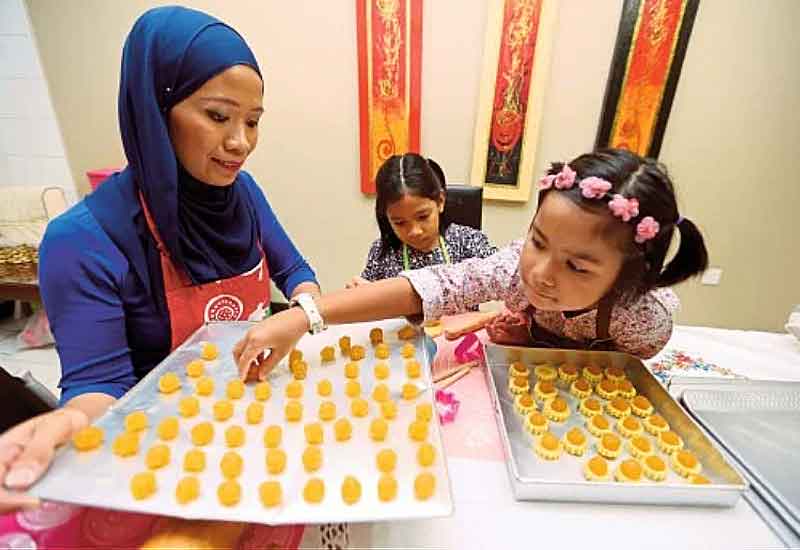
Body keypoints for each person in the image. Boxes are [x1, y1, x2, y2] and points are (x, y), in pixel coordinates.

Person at [0, 6, 318, 548]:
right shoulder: (84, 241)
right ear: (157, 108)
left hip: (253, 443)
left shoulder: (242, 195)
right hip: (160, 468)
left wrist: (305, 312)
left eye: (254, 120)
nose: (241, 142)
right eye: (218, 116)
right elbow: (100, 388)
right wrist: (70, 423)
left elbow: (297, 271)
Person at [234, 148, 709, 378]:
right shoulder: (512, 271)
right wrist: (304, 316)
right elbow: (434, 284)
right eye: (537, 241)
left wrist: (534, 338)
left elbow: (614, 374)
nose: (541, 273)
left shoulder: (645, 322)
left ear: (627, 278)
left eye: (578, 267)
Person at [348, 153, 495, 288]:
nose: (415, 231)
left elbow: (507, 277)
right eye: (399, 223)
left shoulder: (468, 241)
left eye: (423, 217)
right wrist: (359, 293)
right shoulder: (382, 252)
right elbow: (366, 300)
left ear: (440, 202)